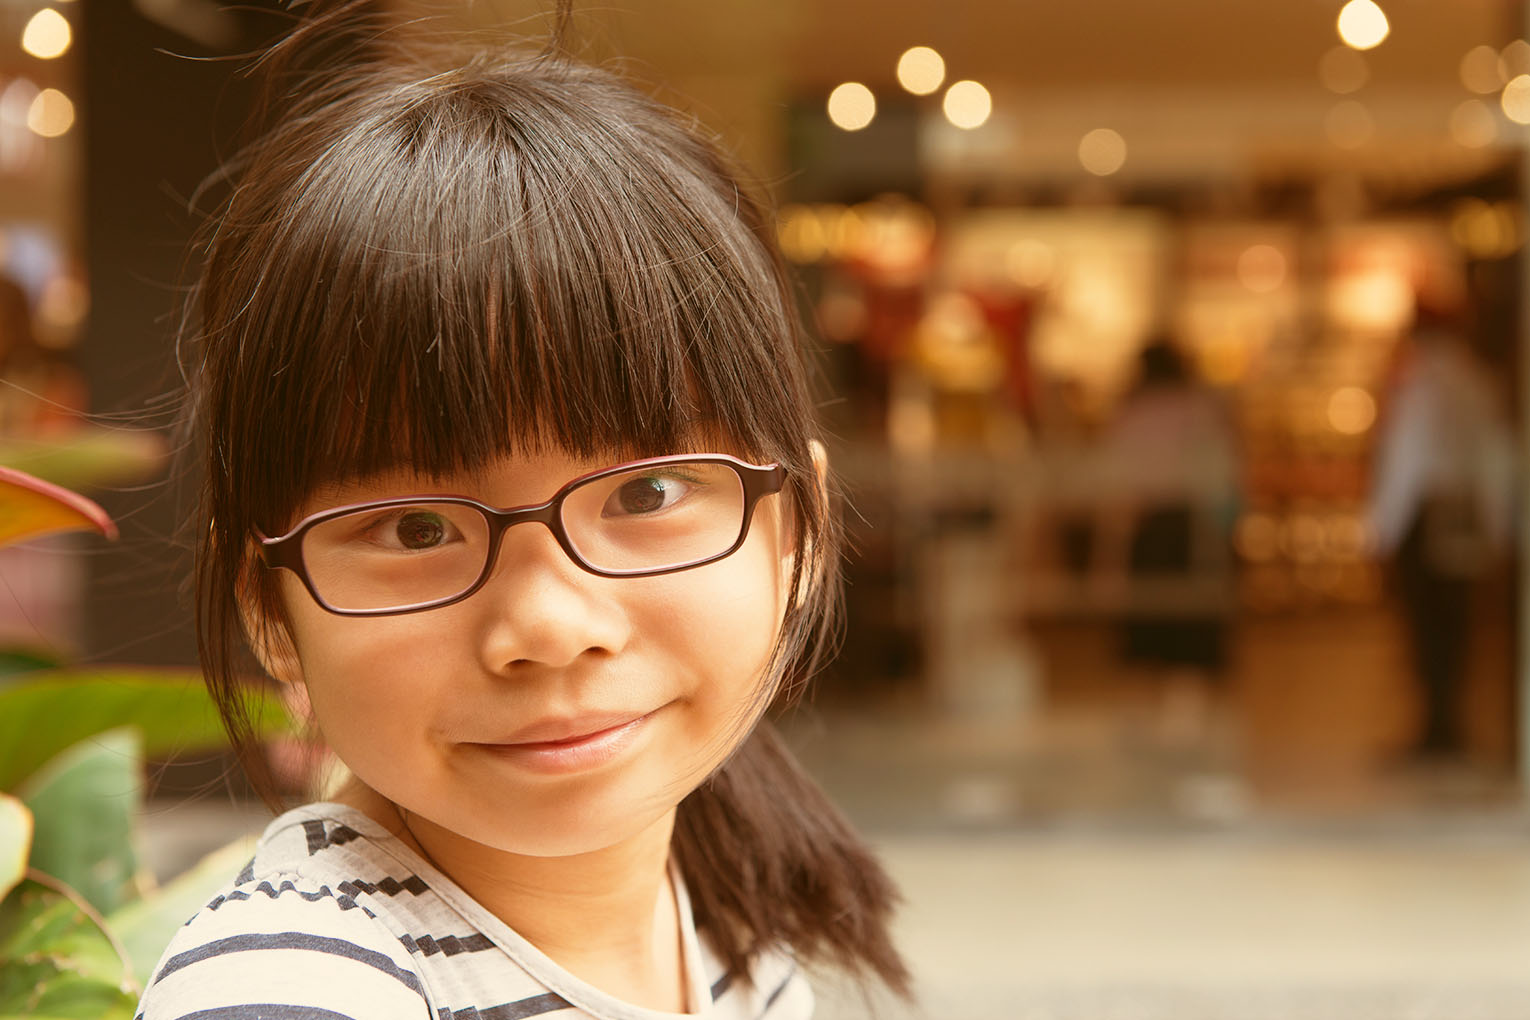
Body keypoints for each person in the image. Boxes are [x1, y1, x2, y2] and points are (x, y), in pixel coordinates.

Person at [137, 12, 907, 1019]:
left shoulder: (728, 926)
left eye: (647, 493)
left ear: (796, 535)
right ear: (273, 614)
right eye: (417, 528)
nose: (549, 627)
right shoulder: (296, 993)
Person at [1367, 304, 1516, 759]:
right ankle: (1445, 726)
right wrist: (1499, 524)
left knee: (1429, 628)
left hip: (1426, 518)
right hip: (1463, 514)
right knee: (1456, 627)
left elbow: (1404, 465)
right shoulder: (1477, 381)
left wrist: (1380, 530)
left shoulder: (1423, 386)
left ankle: (1438, 730)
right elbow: (1496, 457)